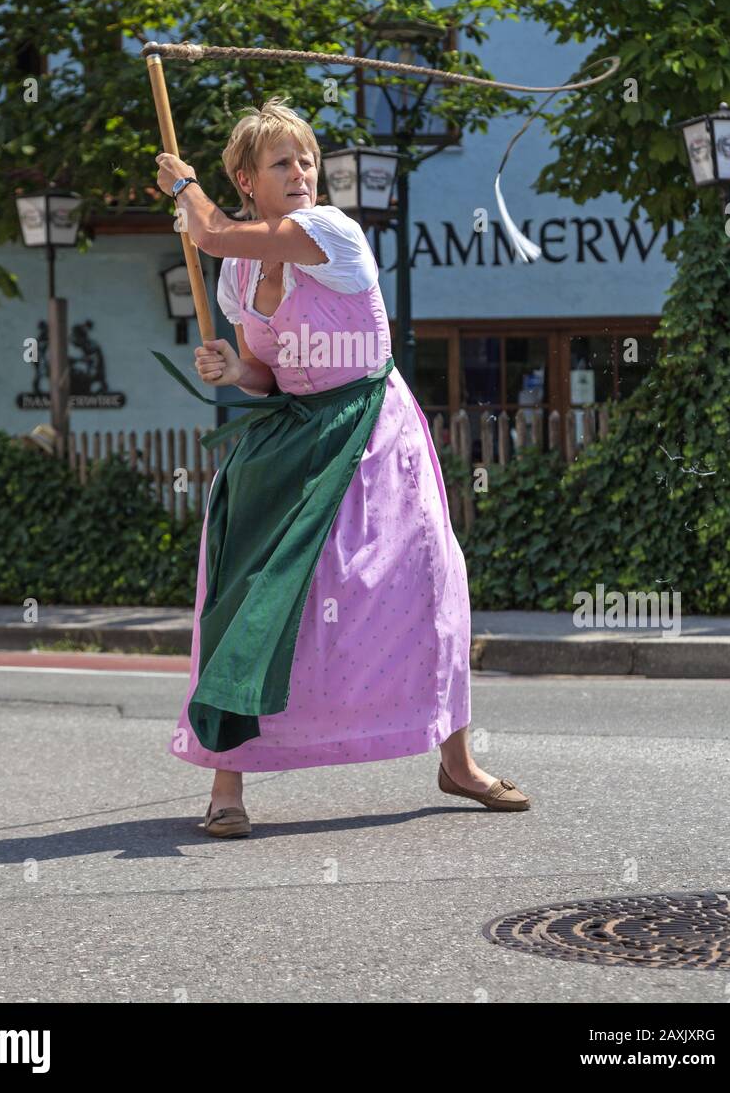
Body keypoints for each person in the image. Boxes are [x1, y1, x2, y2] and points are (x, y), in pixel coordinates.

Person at [155, 97, 529, 837]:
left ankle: (457, 762)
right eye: (280, 163)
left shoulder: (331, 231)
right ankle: (226, 784)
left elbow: (212, 230)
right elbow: (266, 372)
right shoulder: (236, 278)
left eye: (306, 160)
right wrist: (234, 370)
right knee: (246, 594)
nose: (300, 173)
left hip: (372, 430)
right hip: (291, 440)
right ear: (245, 177)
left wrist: (180, 186)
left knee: (428, 584)